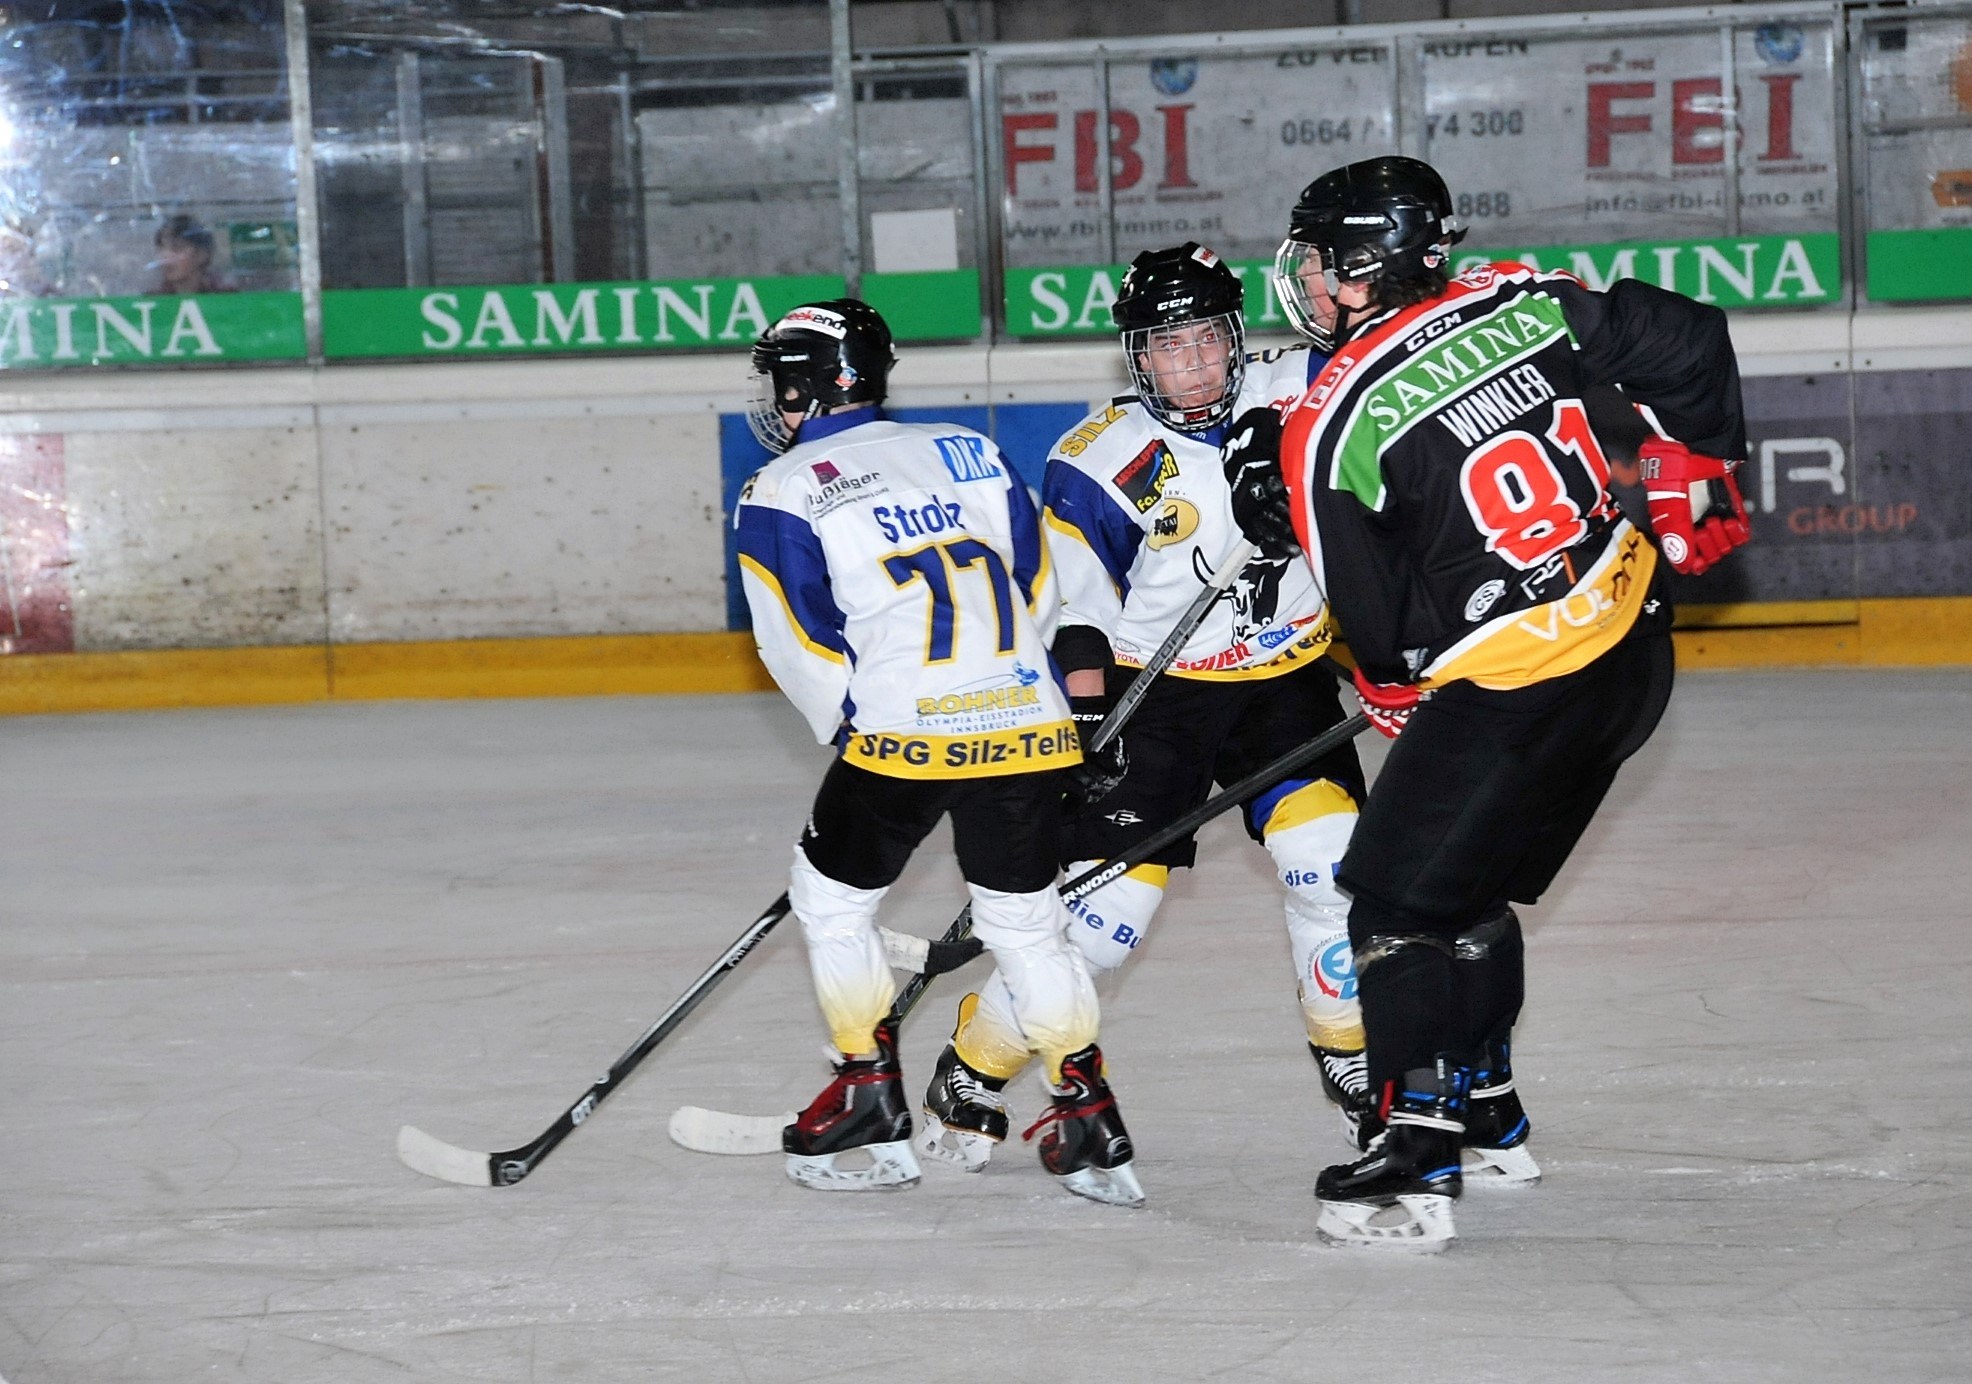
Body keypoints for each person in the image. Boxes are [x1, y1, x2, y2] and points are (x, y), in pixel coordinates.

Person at [1222, 157, 1752, 1249]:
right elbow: (1694, 337)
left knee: (1390, 903)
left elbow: (1375, 631)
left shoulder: (1326, 424)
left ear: (1361, 264)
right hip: (1632, 653)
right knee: (1465, 890)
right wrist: (1700, 463)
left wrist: (1396, 696)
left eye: (1319, 259)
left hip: (1518, 694)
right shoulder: (1523, 296)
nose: (1309, 279)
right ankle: (1491, 1116)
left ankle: (1417, 1149)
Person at [909, 243, 1375, 1175]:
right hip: (1154, 695)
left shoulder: (1302, 388)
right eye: (1169, 346)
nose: (1193, 364)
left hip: (1285, 683)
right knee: (1101, 924)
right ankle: (972, 1066)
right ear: (1139, 356)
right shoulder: (1097, 459)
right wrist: (1082, 727)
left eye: (1207, 339)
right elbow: (1075, 615)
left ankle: (1355, 1062)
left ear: (1236, 336)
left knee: (1329, 871)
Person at [734, 298, 1142, 1207]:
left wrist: (856, 726)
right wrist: (1028, 697)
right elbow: (1040, 587)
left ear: (807, 384)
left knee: (831, 900)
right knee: (1026, 924)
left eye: (781, 379)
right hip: (1025, 719)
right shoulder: (970, 448)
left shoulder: (780, 488)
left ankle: (864, 1091)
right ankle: (1087, 1113)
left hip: (903, 732)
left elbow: (797, 639)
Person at [144, 214, 234, 296]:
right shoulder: (153, 301)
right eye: (160, 249)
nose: (165, 257)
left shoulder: (226, 296)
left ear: (202, 254)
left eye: (177, 248)